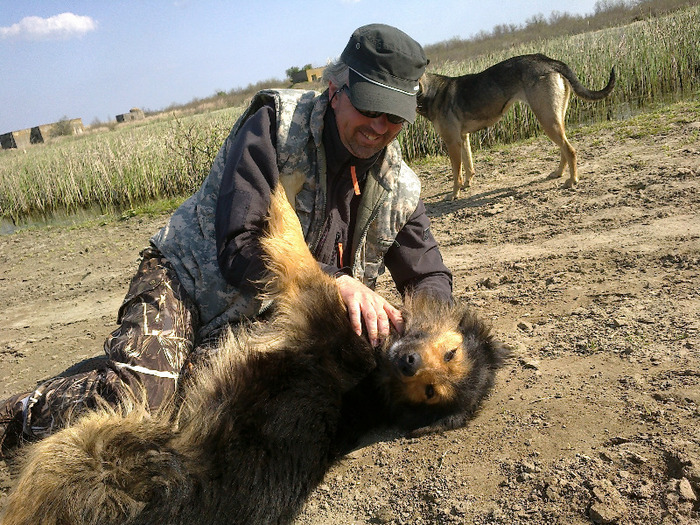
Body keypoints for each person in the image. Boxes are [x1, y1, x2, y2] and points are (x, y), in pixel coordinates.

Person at [0, 23, 452, 456]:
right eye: (370, 108)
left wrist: (427, 338)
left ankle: (142, 364)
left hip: (260, 316)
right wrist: (336, 282)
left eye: (394, 117)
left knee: (200, 410)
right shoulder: (275, 125)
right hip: (187, 283)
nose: (379, 126)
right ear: (335, 92)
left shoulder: (400, 186)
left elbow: (429, 275)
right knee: (137, 407)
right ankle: (17, 415)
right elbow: (240, 245)